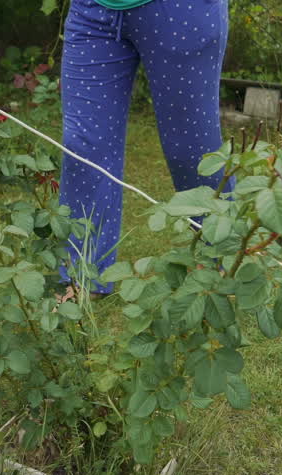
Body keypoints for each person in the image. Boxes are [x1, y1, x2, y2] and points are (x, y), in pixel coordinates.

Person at [58, 0, 231, 293]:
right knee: (83, 146)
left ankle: (225, 258)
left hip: (180, 11)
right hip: (93, 10)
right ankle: (82, 276)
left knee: (192, 153)